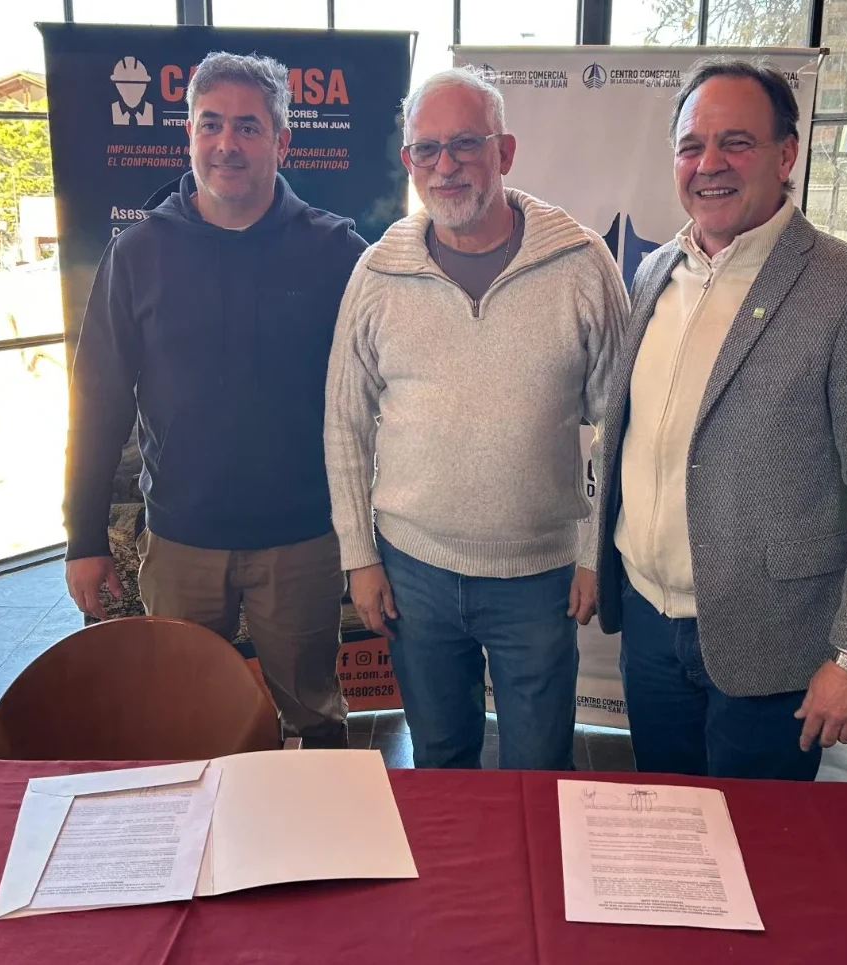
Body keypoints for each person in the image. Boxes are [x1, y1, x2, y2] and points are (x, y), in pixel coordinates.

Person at [594, 59, 847, 781]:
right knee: (672, 836)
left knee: (765, 861)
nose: (708, 165)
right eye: (691, 146)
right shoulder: (655, 272)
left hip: (773, 644)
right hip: (649, 632)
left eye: (735, 142)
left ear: (786, 154)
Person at [325, 67, 628, 770]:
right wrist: (359, 557)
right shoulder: (377, 274)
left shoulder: (582, 264)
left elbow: (617, 420)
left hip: (539, 575)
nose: (446, 165)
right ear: (408, 162)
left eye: (465, 143)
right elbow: (344, 421)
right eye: (425, 150)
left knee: (538, 763)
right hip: (412, 573)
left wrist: (593, 554)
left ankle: (537, 882)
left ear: (505, 151)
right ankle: (452, 883)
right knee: (439, 756)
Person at [64, 51, 367, 747]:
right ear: (190, 136)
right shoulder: (137, 253)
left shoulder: (335, 251)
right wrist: (84, 537)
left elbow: (378, 394)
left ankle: (317, 855)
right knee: (183, 722)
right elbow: (98, 402)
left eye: (248, 127)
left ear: (282, 141)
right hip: (180, 544)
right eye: (210, 125)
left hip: (300, 541)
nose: (226, 144)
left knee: (315, 718)